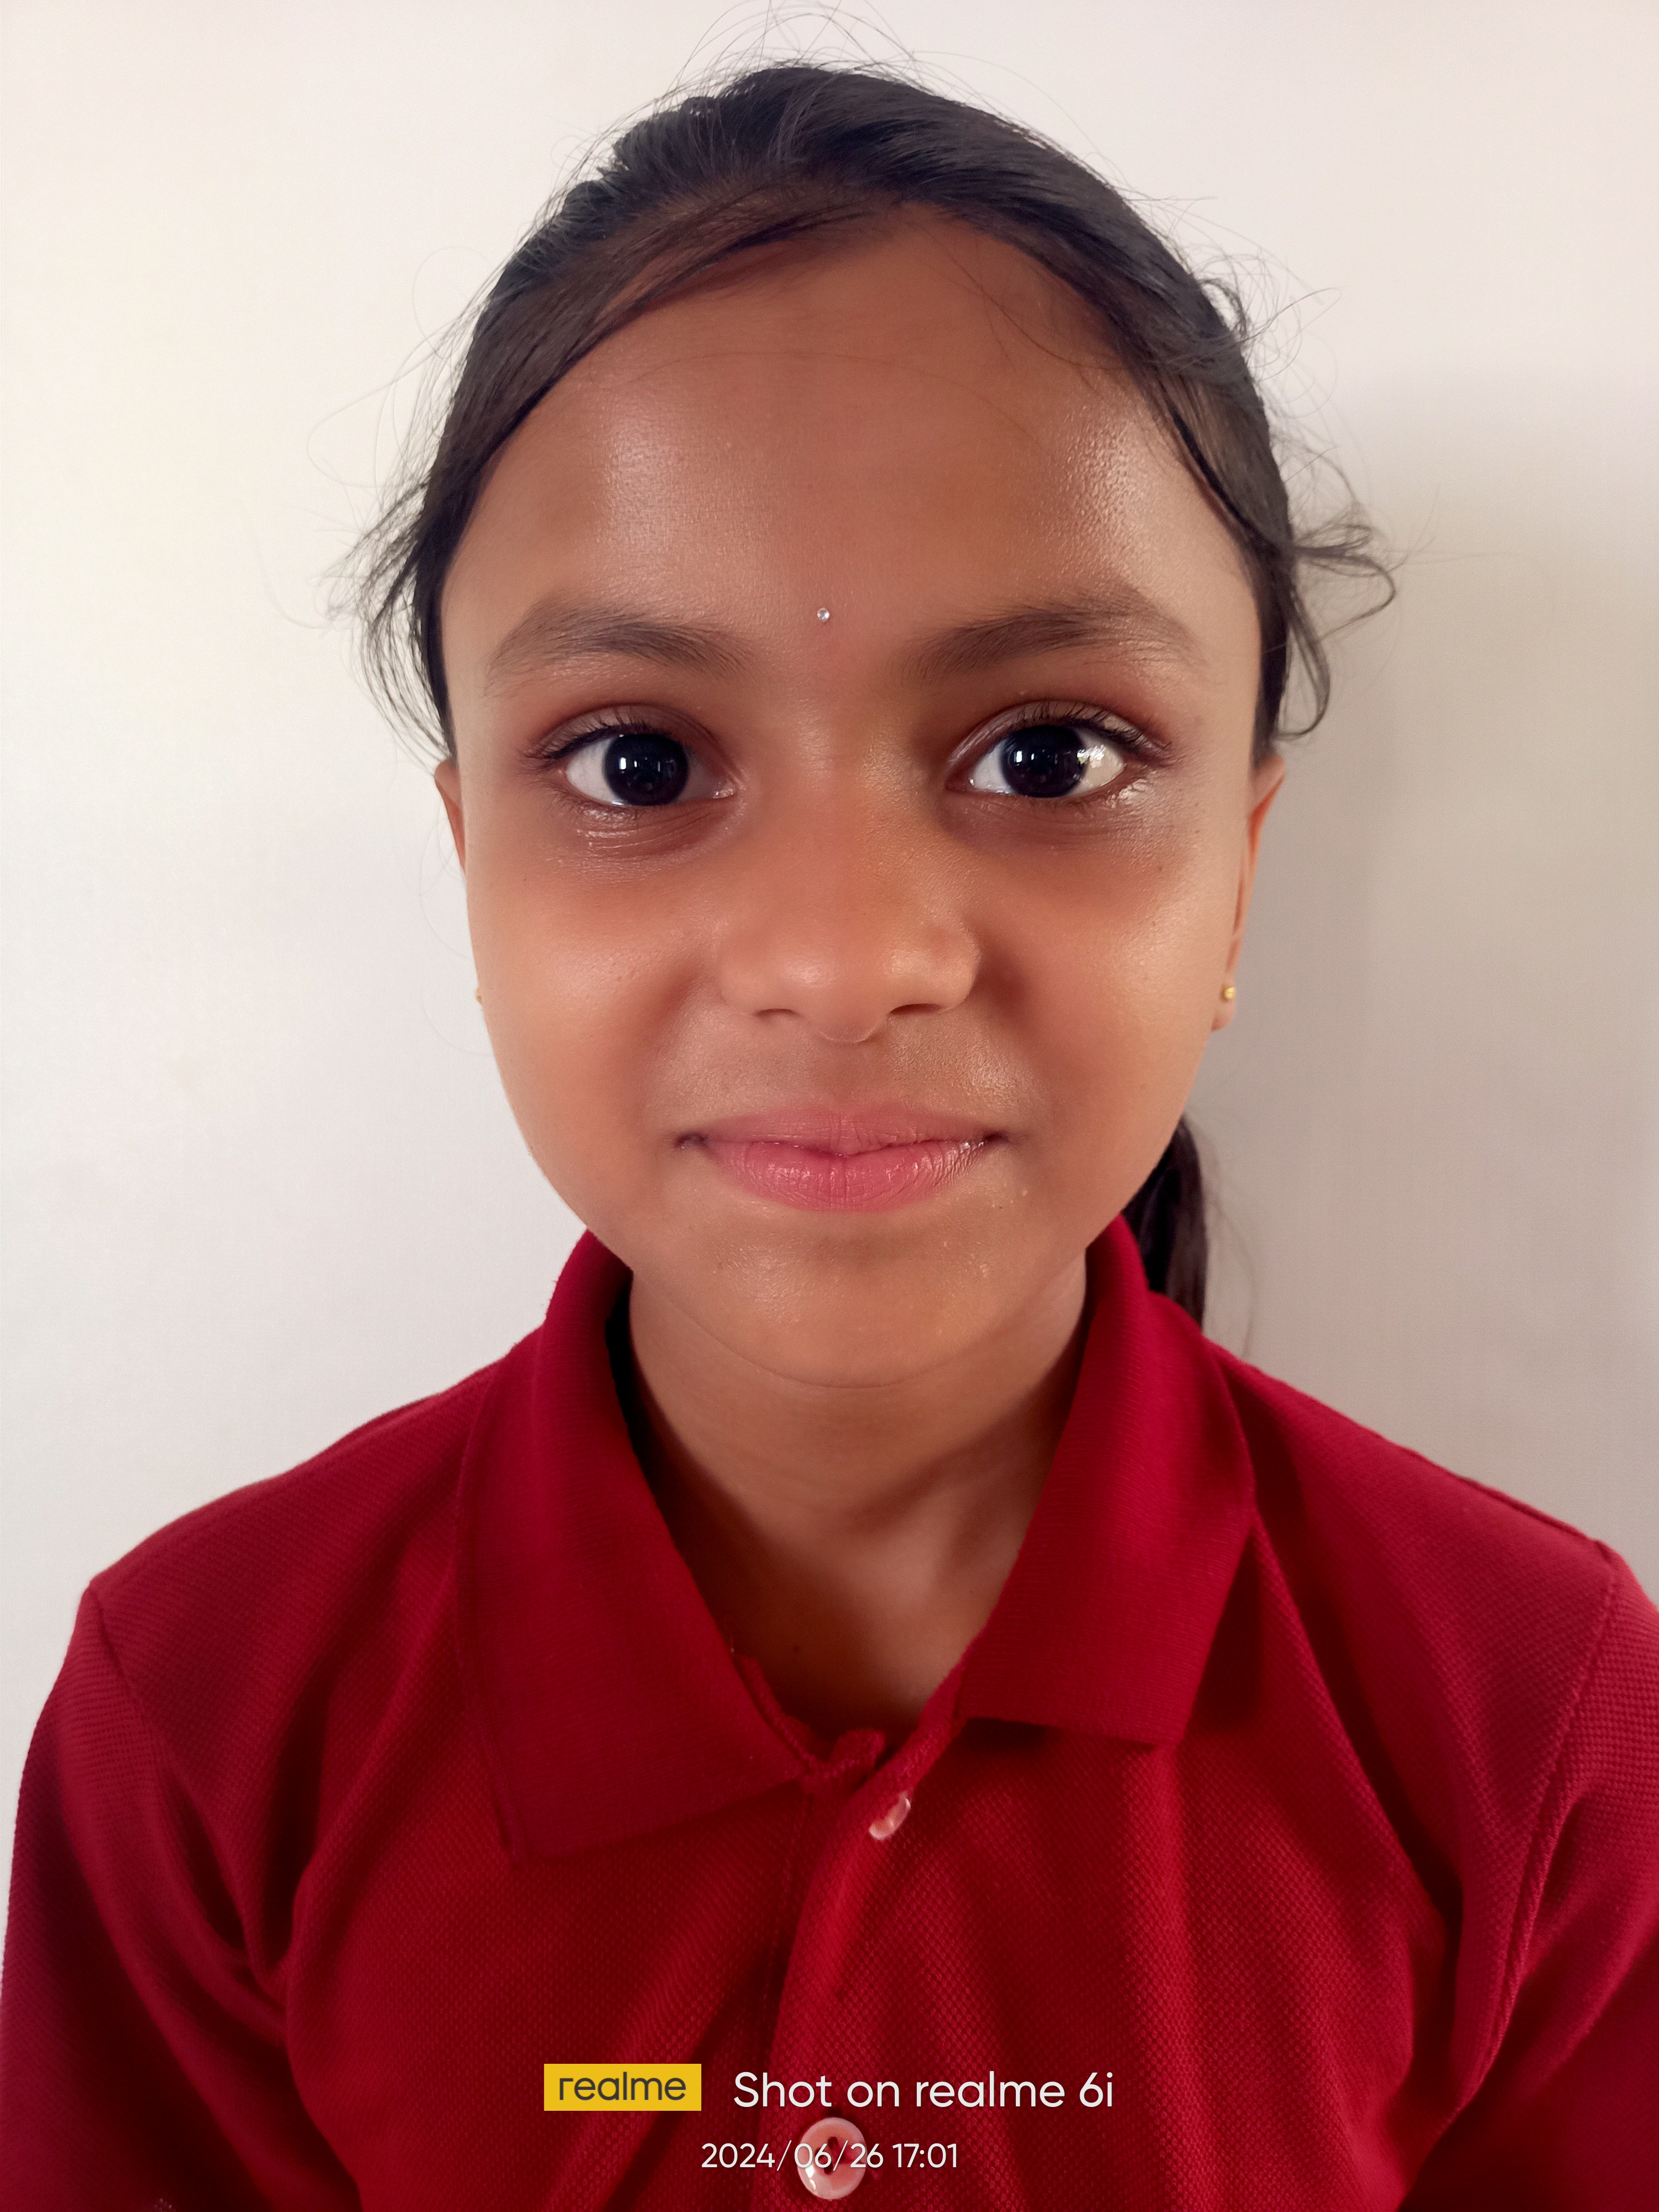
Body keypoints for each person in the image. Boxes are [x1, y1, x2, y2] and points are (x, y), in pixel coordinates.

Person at [2, 60, 1654, 2211]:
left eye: (1049, 754)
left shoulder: (1529, 1716)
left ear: (1241, 877)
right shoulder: (207, 1715)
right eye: (636, 761)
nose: (844, 958)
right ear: (473, 864)